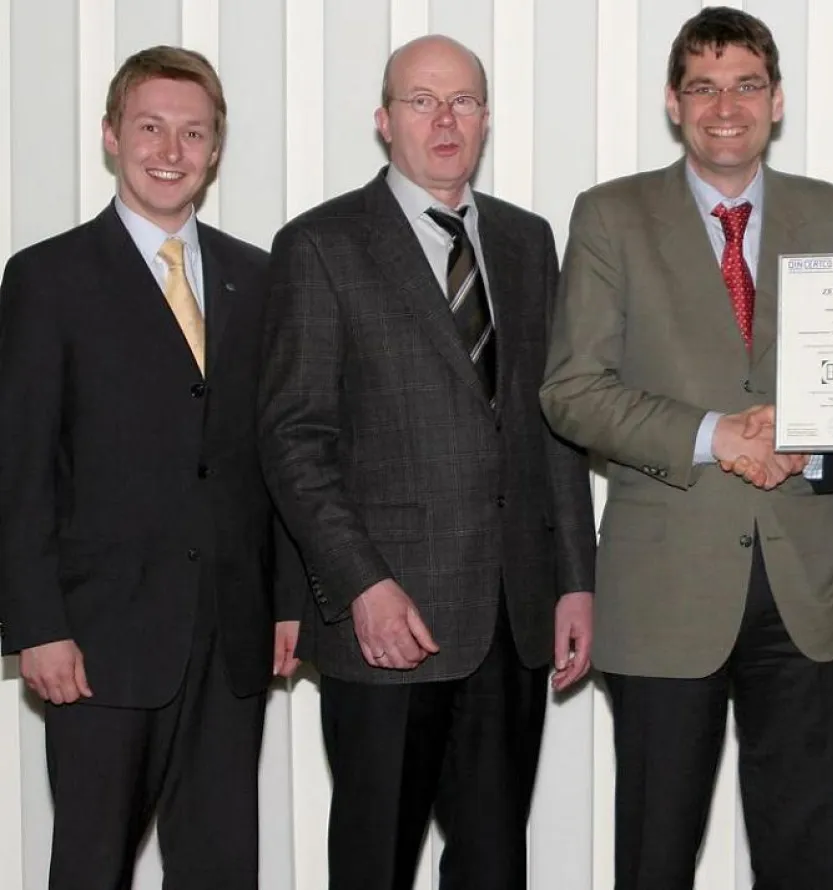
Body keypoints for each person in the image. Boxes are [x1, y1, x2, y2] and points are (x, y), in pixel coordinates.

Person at [538, 8, 833, 889]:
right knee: (656, 856)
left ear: (776, 102)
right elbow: (571, 390)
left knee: (804, 859)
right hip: (666, 593)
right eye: (703, 86)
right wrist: (714, 436)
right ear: (673, 101)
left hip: (809, 588)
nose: (724, 106)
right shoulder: (610, 217)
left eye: (745, 86)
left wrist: (802, 451)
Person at [257, 34, 596, 890]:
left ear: (486, 119)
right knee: (375, 861)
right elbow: (295, 438)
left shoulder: (526, 241)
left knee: (493, 865)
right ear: (384, 120)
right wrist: (360, 585)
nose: (444, 121)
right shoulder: (321, 245)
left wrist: (574, 580)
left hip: (512, 616)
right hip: (387, 621)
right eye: (421, 101)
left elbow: (549, 422)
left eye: (464, 102)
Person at [0, 45, 304, 890]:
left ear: (215, 150)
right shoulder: (45, 278)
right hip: (98, 639)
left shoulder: (259, 277)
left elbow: (272, 453)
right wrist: (35, 626)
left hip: (233, 636)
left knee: (219, 867)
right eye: (150, 128)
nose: (171, 151)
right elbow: (19, 466)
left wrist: (284, 600)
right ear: (110, 135)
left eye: (193, 133)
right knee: (92, 865)